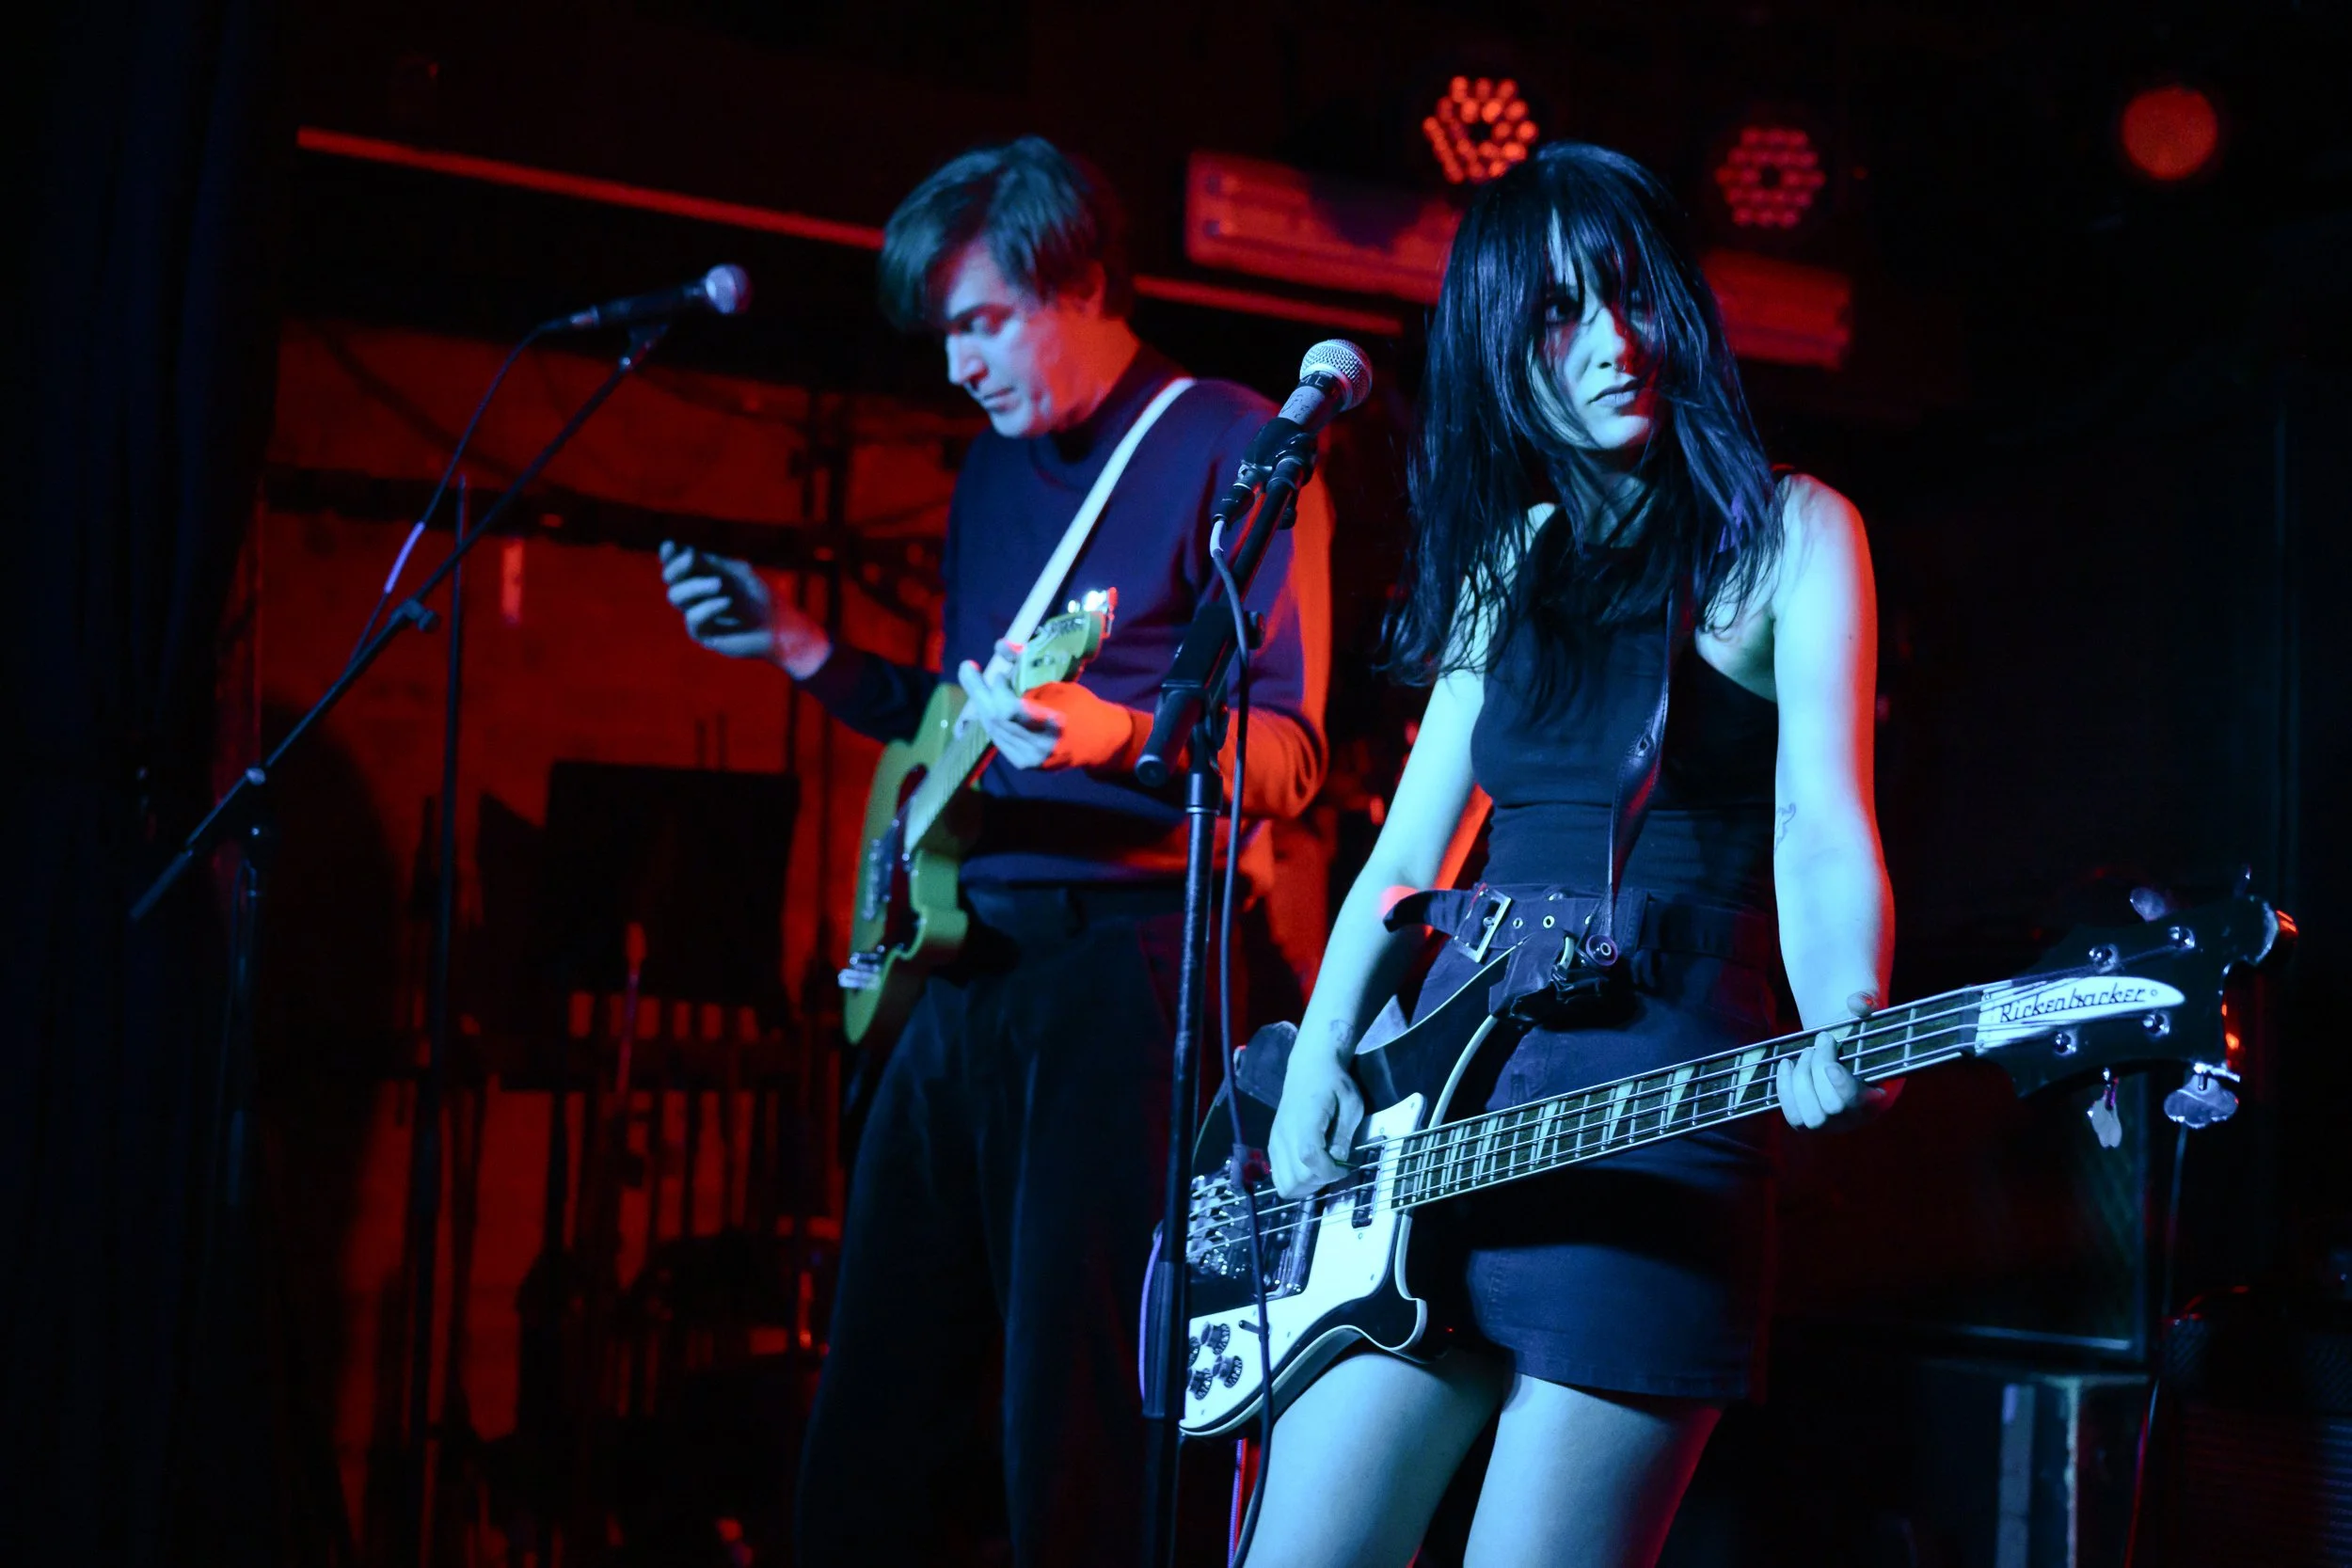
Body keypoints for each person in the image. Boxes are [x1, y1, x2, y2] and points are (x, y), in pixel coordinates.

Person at [657, 136, 1329, 1566]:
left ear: (1077, 278)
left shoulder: (1234, 444)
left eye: (980, 319)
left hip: (1122, 977)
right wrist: (800, 646)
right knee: (876, 1405)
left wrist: (1116, 733)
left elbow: (1289, 756)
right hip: (962, 975)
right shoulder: (987, 477)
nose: (957, 361)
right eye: (943, 331)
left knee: (1076, 1421)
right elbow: (957, 734)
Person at [1252, 141, 1896, 1567]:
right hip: (1439, 1124)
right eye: (1558, 312)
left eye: (1632, 295)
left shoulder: (1793, 534)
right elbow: (1406, 856)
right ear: (1498, 346)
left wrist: (1844, 999)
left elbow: (1821, 820)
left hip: (1656, 1126)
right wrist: (1313, 1074)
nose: (1614, 343)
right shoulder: (1505, 560)